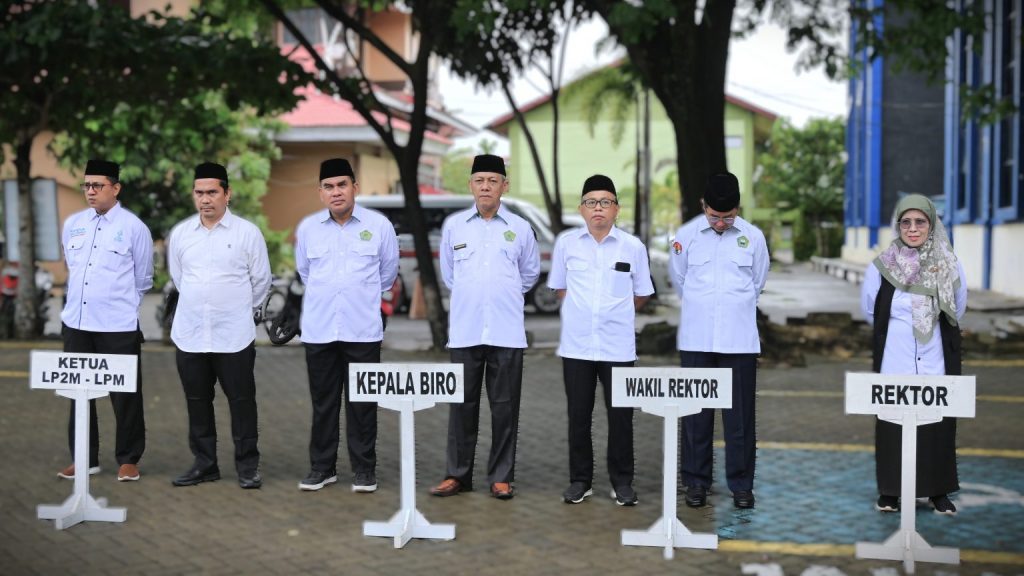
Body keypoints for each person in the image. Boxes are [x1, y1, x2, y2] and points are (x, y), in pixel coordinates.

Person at [430, 154, 540, 500]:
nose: (486, 187)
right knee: (461, 406)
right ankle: (457, 474)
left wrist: (499, 294)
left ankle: (502, 476)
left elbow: (529, 274)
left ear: (504, 186)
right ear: (471, 185)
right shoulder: (454, 226)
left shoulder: (520, 228)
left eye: (493, 180)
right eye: (480, 180)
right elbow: (450, 275)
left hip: (506, 332)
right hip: (465, 330)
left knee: (505, 408)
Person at [547, 175, 654, 506]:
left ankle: (622, 482)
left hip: (617, 347)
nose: (598, 208)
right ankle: (580, 480)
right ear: (581, 209)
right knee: (579, 416)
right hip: (577, 346)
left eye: (605, 202)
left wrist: (613, 314)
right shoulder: (566, 244)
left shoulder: (632, 247)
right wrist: (583, 313)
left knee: (620, 417)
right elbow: (561, 289)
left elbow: (641, 294)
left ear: (616, 209)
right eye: (591, 202)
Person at [294, 158, 398, 493]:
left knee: (363, 404)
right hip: (320, 330)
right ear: (320, 192)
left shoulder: (379, 226)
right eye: (329, 186)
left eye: (342, 185)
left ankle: (364, 470)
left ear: (355, 187)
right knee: (323, 403)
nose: (336, 192)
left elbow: (387, 274)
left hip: (362, 331)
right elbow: (305, 274)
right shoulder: (308, 229)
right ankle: (322, 468)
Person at [167, 162, 271, 490]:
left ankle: (247, 467)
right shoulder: (181, 234)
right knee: (197, 402)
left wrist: (236, 310)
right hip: (191, 334)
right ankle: (205, 464)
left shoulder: (247, 233)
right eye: (200, 192)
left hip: (234, 336)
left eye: (212, 192)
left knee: (242, 402)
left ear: (227, 194)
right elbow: (179, 278)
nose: (206, 199)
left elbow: (261, 283)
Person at [861, 194, 966, 515]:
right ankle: (890, 491)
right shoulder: (882, 265)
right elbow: (870, 309)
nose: (913, 228)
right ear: (898, 226)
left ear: (932, 224)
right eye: (906, 222)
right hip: (896, 357)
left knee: (935, 424)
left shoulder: (950, 263)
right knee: (893, 424)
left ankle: (937, 491)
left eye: (920, 221)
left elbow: (957, 309)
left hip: (934, 356)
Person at [669, 172, 769, 509]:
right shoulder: (685, 236)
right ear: (703, 207)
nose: (722, 223)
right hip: (697, 339)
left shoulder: (754, 238)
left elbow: (757, 282)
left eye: (729, 216)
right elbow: (679, 279)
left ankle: (741, 485)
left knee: (739, 418)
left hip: (739, 340)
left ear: (738, 209)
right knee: (695, 414)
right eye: (715, 216)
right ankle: (696, 483)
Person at [58, 159, 153, 482]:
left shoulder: (133, 227)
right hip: (76, 324)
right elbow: (73, 266)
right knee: (78, 392)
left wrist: (119, 308)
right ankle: (84, 458)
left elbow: (143, 279)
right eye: (86, 185)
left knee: (125, 395)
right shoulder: (74, 224)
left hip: (117, 326)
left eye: (97, 185)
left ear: (116, 188)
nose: (90, 191)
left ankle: (128, 458)